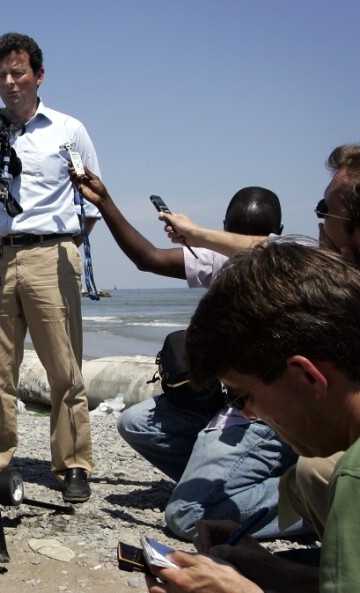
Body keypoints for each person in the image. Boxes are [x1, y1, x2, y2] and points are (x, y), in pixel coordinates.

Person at [69, 170, 303, 539]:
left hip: (264, 416)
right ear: (225, 227)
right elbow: (148, 258)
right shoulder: (216, 261)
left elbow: (268, 252)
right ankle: (230, 485)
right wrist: (105, 202)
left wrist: (197, 234)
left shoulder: (295, 266)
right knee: (136, 422)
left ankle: (311, 501)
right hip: (224, 406)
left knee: (186, 517)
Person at [154, 143, 360, 541]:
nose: (318, 223)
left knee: (314, 475)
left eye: (326, 211)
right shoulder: (335, 266)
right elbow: (272, 250)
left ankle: (296, 501)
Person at [144, 241, 360, 593]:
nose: (248, 412)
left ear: (306, 376)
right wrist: (273, 570)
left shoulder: (353, 477)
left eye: (245, 395)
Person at [0, 32, 100, 502]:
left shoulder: (68, 130)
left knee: (64, 367)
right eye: (1, 75)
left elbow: (92, 202)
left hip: (50, 254)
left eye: (18, 72)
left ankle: (74, 465)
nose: (10, 82)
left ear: (39, 76)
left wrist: (66, 250)